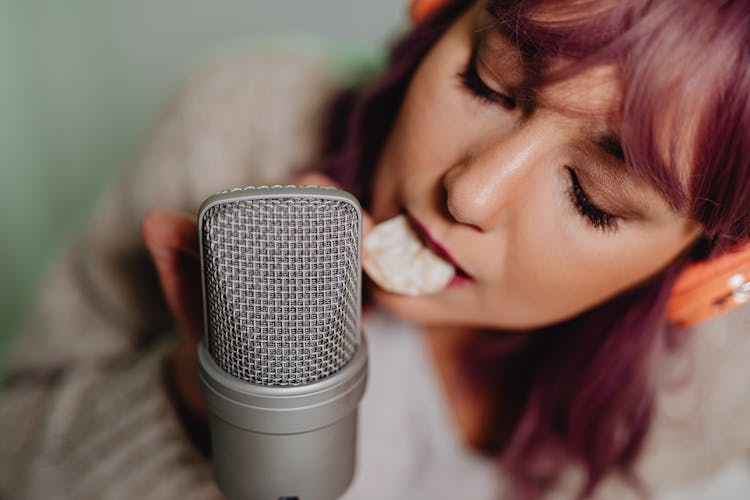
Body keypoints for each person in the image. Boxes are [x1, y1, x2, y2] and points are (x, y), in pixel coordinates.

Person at [1, 0, 749, 498]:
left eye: (594, 198)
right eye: (487, 82)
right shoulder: (242, 126)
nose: (470, 195)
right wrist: (196, 400)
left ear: (700, 274)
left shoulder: (721, 381)